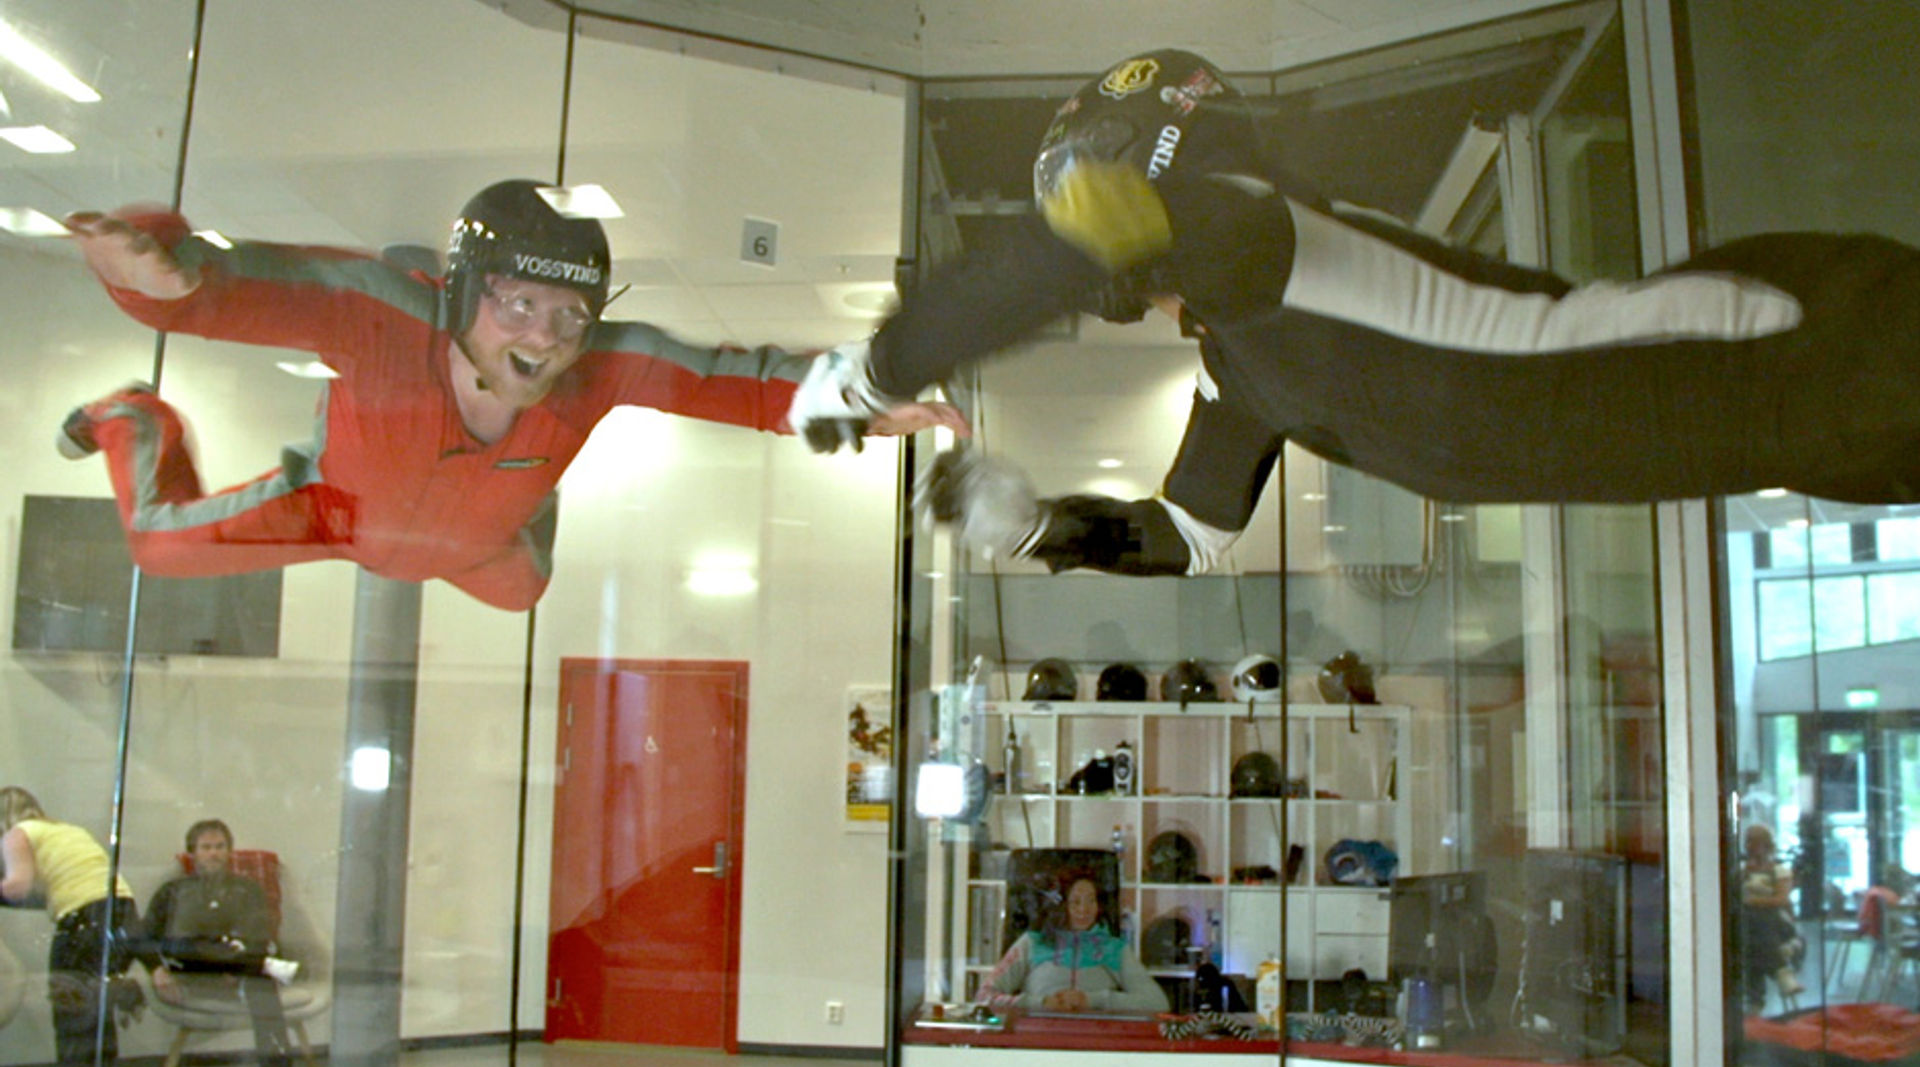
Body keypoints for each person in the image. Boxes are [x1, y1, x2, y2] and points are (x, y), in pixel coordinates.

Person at [788, 48, 1920, 576]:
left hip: (1809, 352)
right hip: (1795, 435)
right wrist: (1042, 529)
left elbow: (1058, 258)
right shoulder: (1237, 350)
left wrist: (877, 369)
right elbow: (1187, 536)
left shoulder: (1254, 231)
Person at [58, 179, 966, 611]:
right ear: (463, 295)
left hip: (482, 541)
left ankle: (527, 501)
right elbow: (248, 289)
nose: (545, 338)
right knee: (157, 549)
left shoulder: (605, 360)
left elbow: (735, 379)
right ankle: (133, 417)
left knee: (523, 592)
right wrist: (159, 276)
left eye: (571, 314)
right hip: (337, 514)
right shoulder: (386, 317)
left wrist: (858, 398)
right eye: (518, 305)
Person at [0, 788, 142, 1067]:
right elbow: (57, 892)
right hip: (123, 915)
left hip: (84, 924)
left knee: (72, 1015)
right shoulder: (67, 831)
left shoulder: (16, 834)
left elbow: (18, 887)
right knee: (97, 1019)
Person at [141, 820, 292, 1067]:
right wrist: (155, 970)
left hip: (238, 968)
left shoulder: (247, 889)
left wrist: (239, 966)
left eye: (220, 847)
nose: (214, 853)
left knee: (264, 985)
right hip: (189, 969)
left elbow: (259, 934)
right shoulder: (173, 891)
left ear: (229, 851)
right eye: (206, 847)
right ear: (193, 853)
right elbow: (144, 936)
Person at [975, 871, 1167, 1014]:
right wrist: (1040, 1003)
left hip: (1097, 1044)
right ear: (1060, 906)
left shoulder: (1115, 949)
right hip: (1035, 1042)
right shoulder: (1031, 944)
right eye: (1075, 902)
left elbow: (1157, 1003)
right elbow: (984, 997)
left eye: (1091, 901)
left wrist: (1093, 1001)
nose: (1084, 910)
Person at [1738, 823, 1804, 1010]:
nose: (1749, 846)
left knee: (1757, 926)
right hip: (1753, 926)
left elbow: (1781, 899)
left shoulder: (1779, 870)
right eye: (1747, 841)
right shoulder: (1742, 870)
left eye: (1754, 842)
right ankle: (1781, 971)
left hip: (1776, 922)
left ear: (1766, 845)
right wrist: (1744, 873)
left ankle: (1756, 1000)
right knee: (1751, 944)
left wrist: (1752, 901)